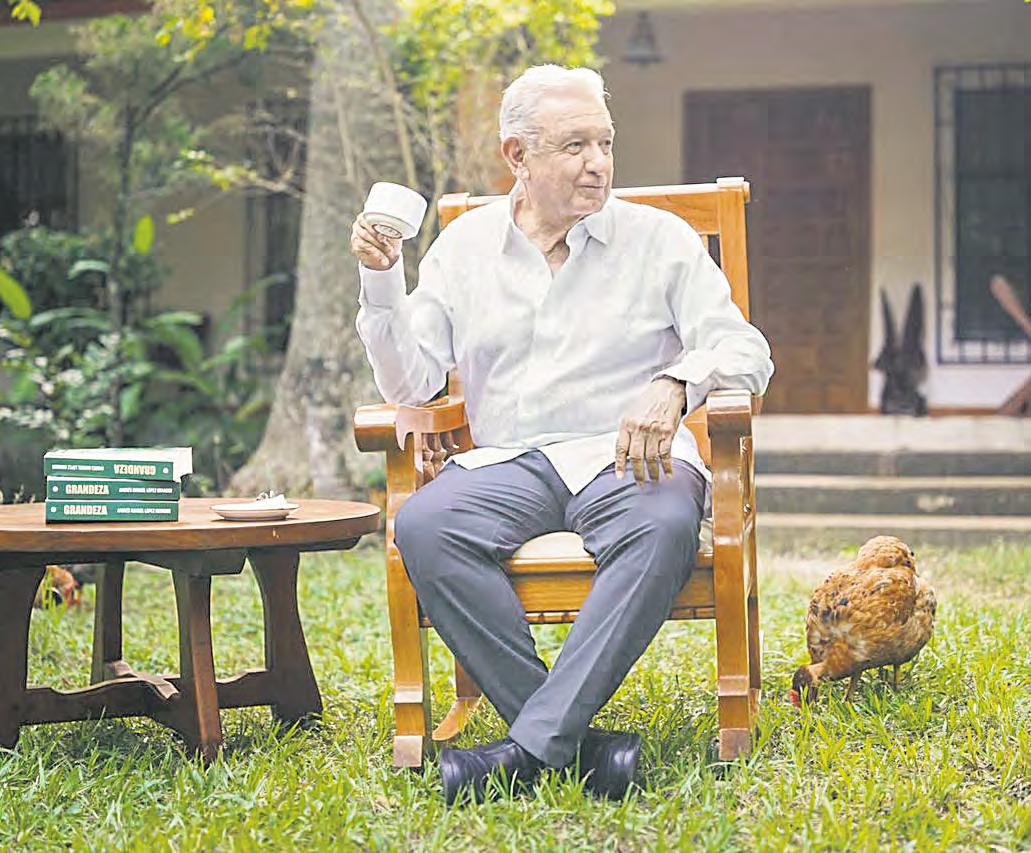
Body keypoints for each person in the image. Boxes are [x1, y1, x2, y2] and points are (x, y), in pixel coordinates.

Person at [351, 64, 773, 804]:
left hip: (628, 457)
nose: (598, 163)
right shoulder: (464, 247)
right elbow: (411, 385)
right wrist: (382, 283)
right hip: (508, 461)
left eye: (605, 143)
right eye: (575, 146)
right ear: (517, 155)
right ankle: (574, 749)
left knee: (664, 523)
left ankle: (527, 750)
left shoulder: (659, 239)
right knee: (424, 524)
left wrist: (676, 384)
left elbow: (745, 349)